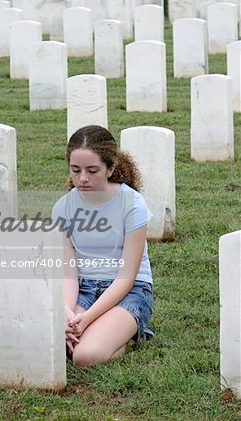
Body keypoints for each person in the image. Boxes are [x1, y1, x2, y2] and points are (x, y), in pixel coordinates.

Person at [52, 125, 153, 367]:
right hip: (83, 288)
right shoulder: (63, 207)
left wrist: (86, 319)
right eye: (75, 170)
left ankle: (130, 336)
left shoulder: (132, 204)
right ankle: (102, 332)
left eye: (92, 170)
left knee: (84, 356)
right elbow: (69, 272)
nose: (82, 178)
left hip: (129, 290)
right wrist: (66, 313)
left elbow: (126, 278)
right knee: (57, 345)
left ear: (111, 168)